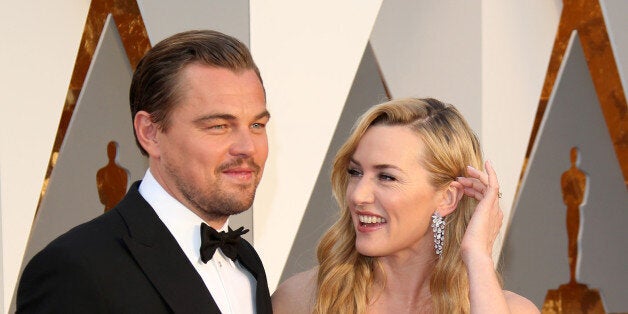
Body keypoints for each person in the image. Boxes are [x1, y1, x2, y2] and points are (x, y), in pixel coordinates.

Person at [17, 30, 272, 314]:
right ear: (150, 133)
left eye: (257, 125)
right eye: (218, 126)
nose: (247, 147)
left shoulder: (247, 263)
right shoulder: (76, 268)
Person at [272, 98, 538, 313]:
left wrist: (477, 256)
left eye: (386, 177)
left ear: (447, 198)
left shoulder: (508, 308)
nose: (358, 195)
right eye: (355, 172)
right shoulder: (302, 301)